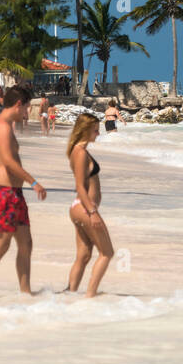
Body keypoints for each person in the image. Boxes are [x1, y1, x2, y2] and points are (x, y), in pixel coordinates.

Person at [0, 85, 46, 295]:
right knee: (2, 244)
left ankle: (26, 293)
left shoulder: (5, 125)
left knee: (26, 243)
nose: (26, 114)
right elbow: (7, 161)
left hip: (14, 195)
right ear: (18, 104)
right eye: (26, 109)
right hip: (2, 193)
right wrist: (34, 182)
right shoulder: (2, 127)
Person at [65, 113, 114, 298]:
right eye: (95, 129)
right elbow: (79, 186)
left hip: (80, 208)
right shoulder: (80, 153)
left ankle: (70, 294)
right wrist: (92, 212)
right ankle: (90, 295)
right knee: (107, 253)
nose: (98, 132)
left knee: (84, 255)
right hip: (85, 208)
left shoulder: (80, 151)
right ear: (85, 129)